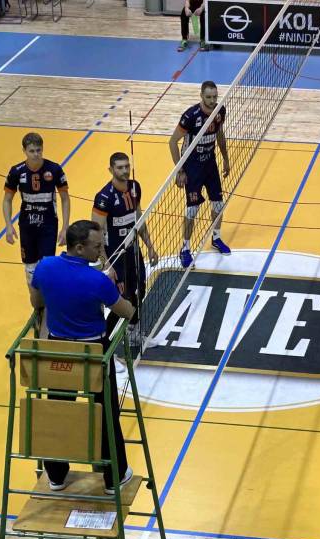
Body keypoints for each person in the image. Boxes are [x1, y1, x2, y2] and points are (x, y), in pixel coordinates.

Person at [30, 220, 136, 494]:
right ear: (79, 248)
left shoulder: (45, 266)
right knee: (106, 413)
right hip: (93, 353)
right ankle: (114, 477)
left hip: (59, 351)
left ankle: (56, 476)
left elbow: (37, 302)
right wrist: (112, 288)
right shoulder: (97, 281)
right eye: (97, 247)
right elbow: (126, 311)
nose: (100, 251)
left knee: (59, 410)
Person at [92, 152, 158, 347]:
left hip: (133, 251)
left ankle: (133, 332)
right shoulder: (104, 197)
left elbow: (138, 220)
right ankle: (103, 342)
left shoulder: (135, 187)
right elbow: (96, 234)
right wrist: (107, 264)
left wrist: (150, 247)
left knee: (140, 289)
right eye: (120, 167)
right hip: (115, 255)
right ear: (111, 170)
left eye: (127, 166)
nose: (125, 171)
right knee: (121, 299)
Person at [170, 80, 232, 269]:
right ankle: (185, 248)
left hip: (210, 163)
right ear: (201, 96)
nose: (212, 101)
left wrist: (226, 158)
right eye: (208, 97)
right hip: (192, 166)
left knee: (218, 204)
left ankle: (216, 238)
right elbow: (172, 142)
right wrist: (180, 170)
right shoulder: (190, 116)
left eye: (215, 97)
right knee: (192, 210)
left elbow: (219, 134)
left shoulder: (220, 111)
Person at [4, 132, 70, 294]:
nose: (36, 154)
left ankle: (48, 301)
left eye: (39, 150)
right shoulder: (16, 171)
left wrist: (65, 227)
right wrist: (8, 225)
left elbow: (65, 199)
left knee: (47, 266)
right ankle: (36, 302)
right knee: (30, 269)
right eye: (32, 151)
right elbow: (7, 200)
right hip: (27, 225)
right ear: (24, 151)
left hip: (48, 224)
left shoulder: (54, 169)